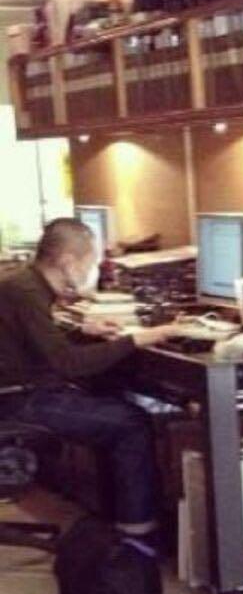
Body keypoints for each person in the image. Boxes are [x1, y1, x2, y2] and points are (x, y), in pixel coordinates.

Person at [0, 218, 182, 547]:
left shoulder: (23, 283)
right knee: (130, 423)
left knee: (110, 402)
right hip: (20, 400)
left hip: (18, 392)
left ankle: (119, 518)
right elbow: (69, 363)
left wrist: (81, 331)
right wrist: (138, 339)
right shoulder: (26, 293)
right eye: (90, 262)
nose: (91, 271)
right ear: (68, 262)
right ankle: (137, 536)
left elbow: (36, 341)